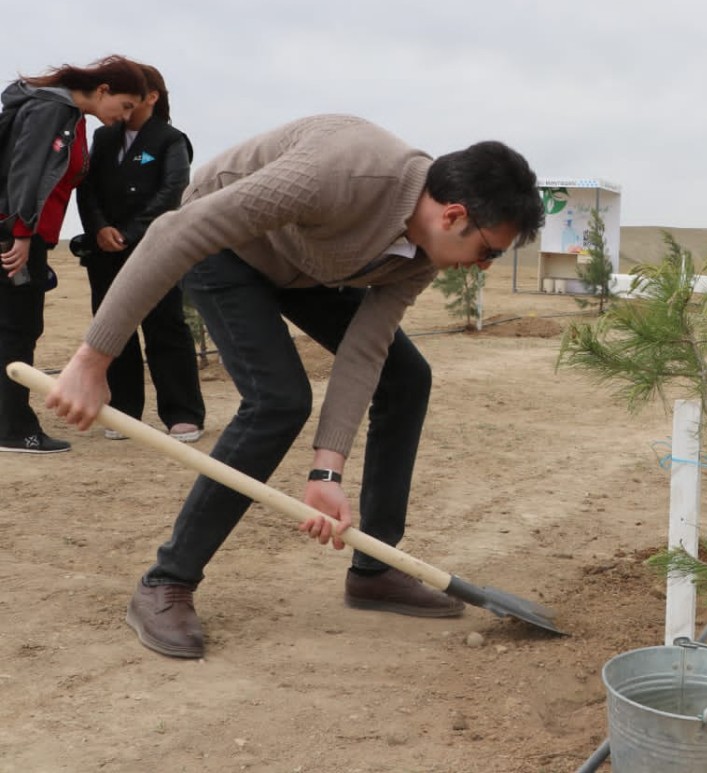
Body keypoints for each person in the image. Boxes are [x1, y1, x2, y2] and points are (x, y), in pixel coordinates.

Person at [43, 114, 545, 659]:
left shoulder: (422, 253)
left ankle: (375, 569)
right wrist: (93, 359)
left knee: (406, 376)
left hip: (306, 263)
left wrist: (326, 471)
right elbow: (175, 231)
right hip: (226, 247)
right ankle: (167, 581)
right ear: (454, 215)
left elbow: (366, 348)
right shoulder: (342, 173)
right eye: (489, 252)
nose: (486, 267)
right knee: (278, 400)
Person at [0, 56, 148, 454]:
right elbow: (26, 169)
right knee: (18, 328)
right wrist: (22, 231)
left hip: (26, 232)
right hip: (16, 234)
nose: (124, 116)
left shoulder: (67, 115)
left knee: (14, 325)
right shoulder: (54, 110)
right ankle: (14, 429)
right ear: (103, 90)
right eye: (126, 105)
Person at [76, 64, 206, 443]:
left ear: (153, 97)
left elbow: (173, 192)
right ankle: (123, 412)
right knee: (112, 328)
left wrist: (131, 233)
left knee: (165, 326)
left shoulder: (171, 140)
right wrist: (99, 227)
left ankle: (183, 413)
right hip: (103, 249)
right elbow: (86, 188)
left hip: (155, 248)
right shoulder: (103, 137)